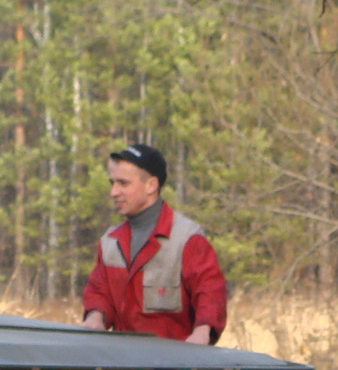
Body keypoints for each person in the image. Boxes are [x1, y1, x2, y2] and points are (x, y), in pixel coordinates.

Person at [80, 142, 228, 344]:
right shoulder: (109, 243)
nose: (114, 192)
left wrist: (203, 331)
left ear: (151, 185)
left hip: (176, 367)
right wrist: (95, 318)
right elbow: (99, 293)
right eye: (112, 183)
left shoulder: (187, 238)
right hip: (122, 366)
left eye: (123, 183)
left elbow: (210, 293)